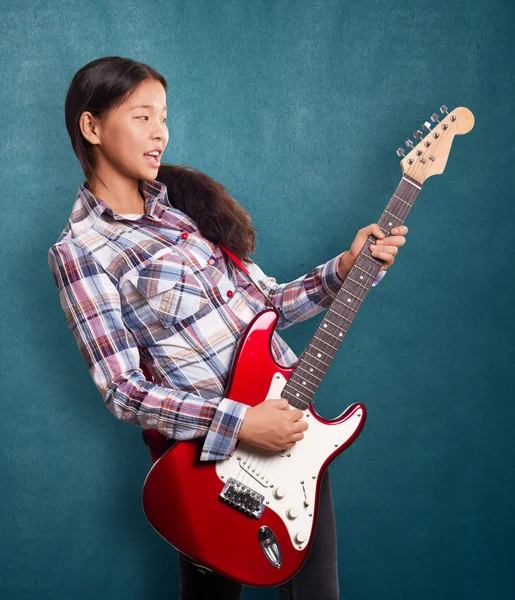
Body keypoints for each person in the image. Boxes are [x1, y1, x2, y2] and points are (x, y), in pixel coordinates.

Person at [48, 56, 408, 600]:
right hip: (209, 469)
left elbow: (265, 304)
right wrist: (240, 422)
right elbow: (123, 391)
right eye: (142, 116)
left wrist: (347, 266)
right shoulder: (81, 251)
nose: (160, 132)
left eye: (164, 117)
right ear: (92, 126)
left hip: (291, 440)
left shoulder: (183, 211)